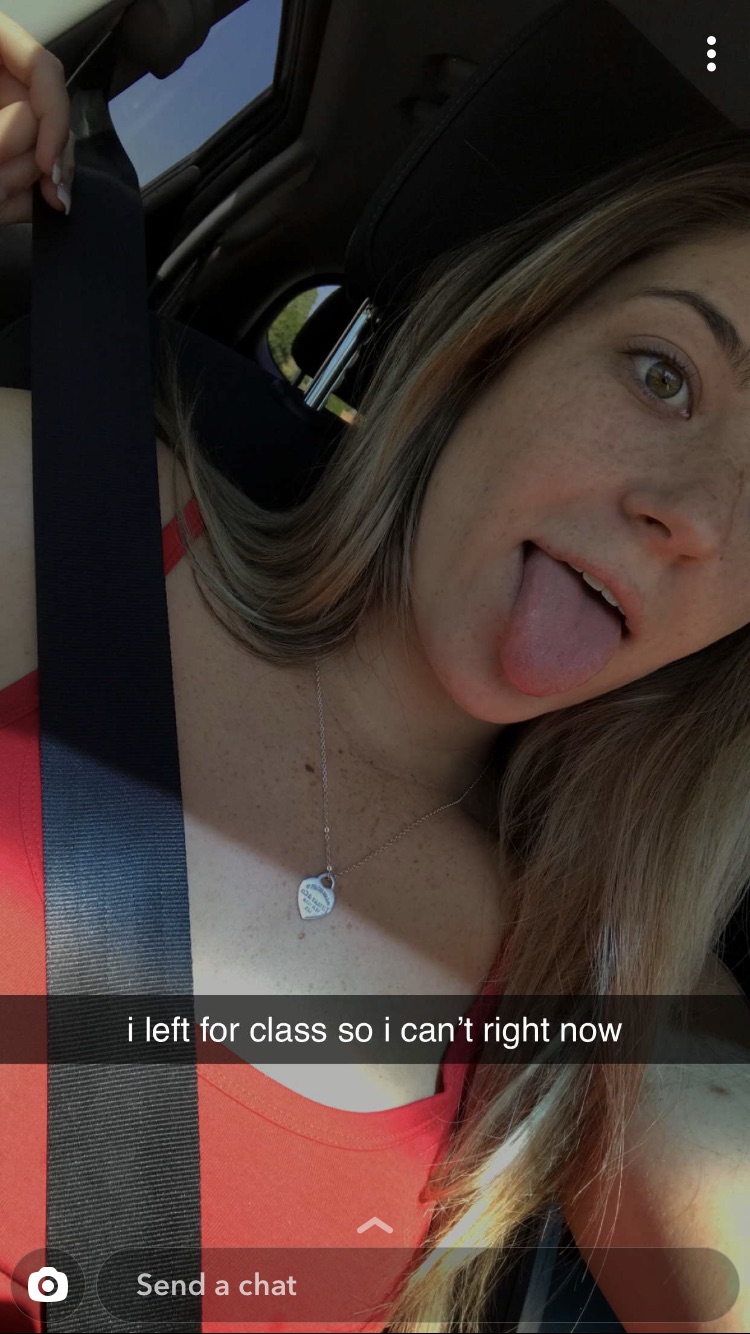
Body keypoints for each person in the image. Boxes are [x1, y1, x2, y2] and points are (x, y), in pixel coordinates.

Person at [0, 11, 749, 1332]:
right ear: (499, 339)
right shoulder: (56, 508)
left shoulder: (613, 974)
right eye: (661, 374)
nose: (690, 513)